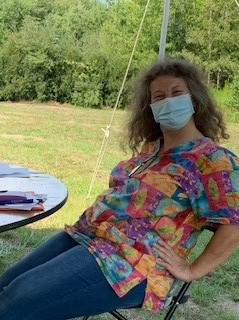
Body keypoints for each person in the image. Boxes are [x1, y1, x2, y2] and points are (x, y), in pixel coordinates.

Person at [0, 58, 239, 320]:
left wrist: (193, 270)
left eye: (177, 92)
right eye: (159, 96)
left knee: (16, 303)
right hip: (88, 237)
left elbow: (234, 223)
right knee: (5, 286)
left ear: (194, 99)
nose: (168, 101)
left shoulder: (212, 160)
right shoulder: (153, 149)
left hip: (132, 263)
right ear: (151, 108)